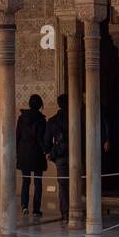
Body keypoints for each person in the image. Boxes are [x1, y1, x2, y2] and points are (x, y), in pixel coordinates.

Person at [15, 93, 47, 218]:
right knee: (38, 182)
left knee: (25, 181)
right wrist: (45, 150)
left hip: (24, 153)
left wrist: (18, 152)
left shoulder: (21, 118)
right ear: (40, 105)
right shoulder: (41, 119)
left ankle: (24, 206)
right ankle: (36, 210)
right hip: (37, 153)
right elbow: (41, 138)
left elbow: (17, 136)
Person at [43, 93, 69, 222]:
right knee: (79, 183)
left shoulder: (53, 121)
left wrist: (48, 153)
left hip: (60, 157)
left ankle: (65, 213)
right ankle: (77, 210)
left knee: (63, 185)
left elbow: (47, 140)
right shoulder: (78, 117)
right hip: (76, 156)